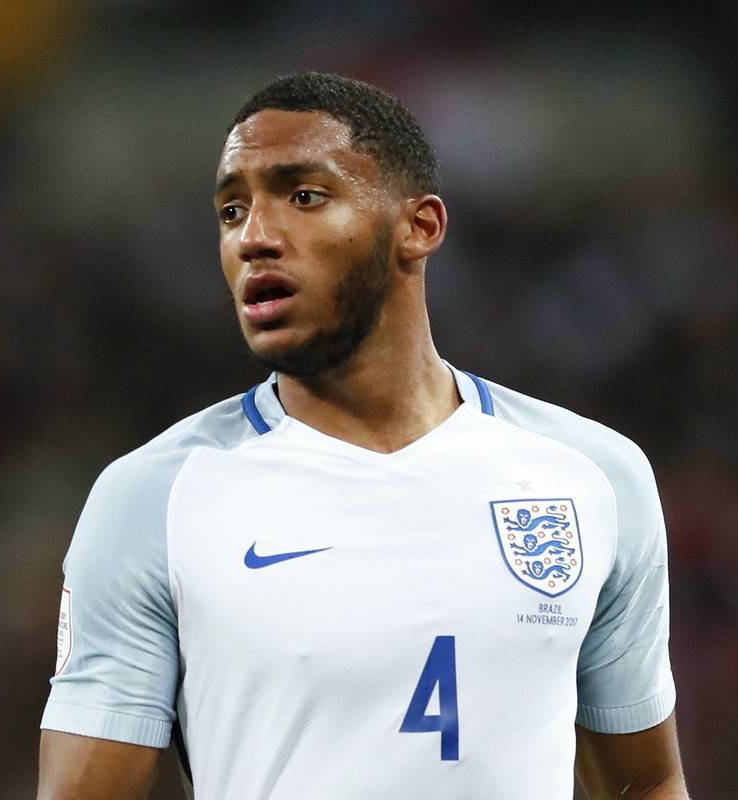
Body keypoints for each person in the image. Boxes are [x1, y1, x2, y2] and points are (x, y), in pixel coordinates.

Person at [36, 71, 688, 800]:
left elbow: (645, 782)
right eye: (231, 210)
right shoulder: (152, 500)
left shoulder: (591, 477)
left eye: (304, 196)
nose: (254, 237)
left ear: (420, 227)